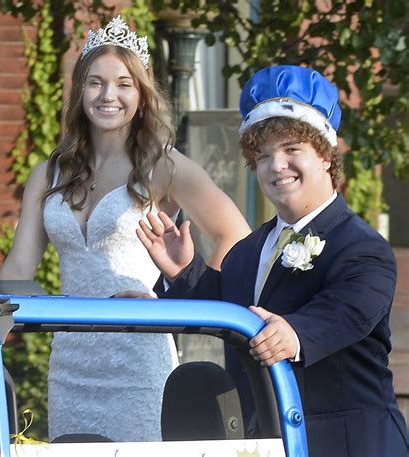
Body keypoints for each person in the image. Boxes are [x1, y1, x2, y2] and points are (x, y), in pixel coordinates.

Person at [0, 16, 251, 443]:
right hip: (71, 362)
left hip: (139, 358)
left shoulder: (163, 166)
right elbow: (19, 267)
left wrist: (177, 302)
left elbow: (236, 236)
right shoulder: (49, 173)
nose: (108, 95)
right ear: (80, 90)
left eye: (123, 83)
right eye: (95, 83)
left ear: (141, 93)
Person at [135, 65, 409, 456]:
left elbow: (345, 314)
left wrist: (294, 333)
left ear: (327, 157)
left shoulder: (363, 248)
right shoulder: (249, 248)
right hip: (265, 443)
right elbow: (230, 311)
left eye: (292, 150)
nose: (276, 166)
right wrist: (183, 272)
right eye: (263, 156)